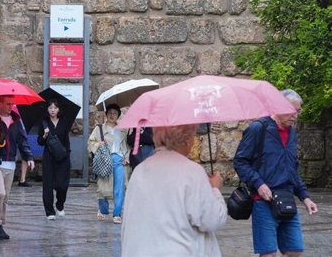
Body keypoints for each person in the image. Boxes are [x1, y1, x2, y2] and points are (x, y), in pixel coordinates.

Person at [233, 89, 318, 257]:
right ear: (276, 107)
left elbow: (292, 169)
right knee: (268, 254)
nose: (295, 115)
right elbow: (240, 161)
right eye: (291, 111)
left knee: (294, 251)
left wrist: (305, 197)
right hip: (263, 201)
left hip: (286, 199)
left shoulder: (292, 133)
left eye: (298, 111)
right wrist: (259, 184)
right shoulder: (258, 128)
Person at [121, 124, 227, 256]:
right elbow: (213, 219)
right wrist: (215, 190)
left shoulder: (139, 171)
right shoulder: (192, 172)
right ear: (187, 139)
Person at [0, 95, 34, 240]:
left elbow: (22, 140)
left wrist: (28, 157)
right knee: (0, 193)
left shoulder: (16, 120)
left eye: (12, 103)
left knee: (6, 197)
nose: (11, 106)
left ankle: (0, 225)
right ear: (0, 104)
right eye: (8, 104)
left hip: (10, 162)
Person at [87, 105, 129, 223]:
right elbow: (90, 142)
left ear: (118, 116)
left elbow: (127, 146)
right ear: (106, 114)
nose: (112, 115)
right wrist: (97, 145)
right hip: (105, 159)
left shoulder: (123, 130)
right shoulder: (99, 129)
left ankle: (117, 213)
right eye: (109, 113)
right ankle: (103, 209)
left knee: (119, 188)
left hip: (119, 160)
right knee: (103, 187)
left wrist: (127, 158)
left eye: (115, 113)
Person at [37, 99, 71, 220]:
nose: (52, 110)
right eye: (50, 108)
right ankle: (49, 211)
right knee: (48, 185)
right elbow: (40, 142)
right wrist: (44, 135)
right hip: (49, 158)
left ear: (58, 109)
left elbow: (66, 140)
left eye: (55, 108)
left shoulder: (64, 122)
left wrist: (67, 154)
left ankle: (60, 205)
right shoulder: (44, 123)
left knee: (62, 185)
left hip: (62, 158)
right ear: (47, 109)